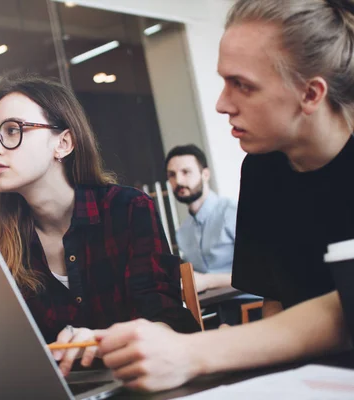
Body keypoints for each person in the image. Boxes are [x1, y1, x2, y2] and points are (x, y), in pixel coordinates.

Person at [95, 0, 354, 392]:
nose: (221, 104)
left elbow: (346, 310)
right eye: (223, 81)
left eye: (243, 85)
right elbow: (275, 301)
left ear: (311, 93)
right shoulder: (262, 168)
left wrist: (191, 352)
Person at [0, 75, 200, 377]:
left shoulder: (126, 209)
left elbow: (166, 321)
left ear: (63, 143)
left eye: (12, 131)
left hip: (132, 385)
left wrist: (103, 341)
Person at [165, 144, 235, 292]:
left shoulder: (233, 212)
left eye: (186, 172)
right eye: (172, 175)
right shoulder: (183, 232)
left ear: (205, 175)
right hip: (210, 309)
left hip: (250, 307)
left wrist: (207, 281)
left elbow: (262, 271)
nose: (178, 181)